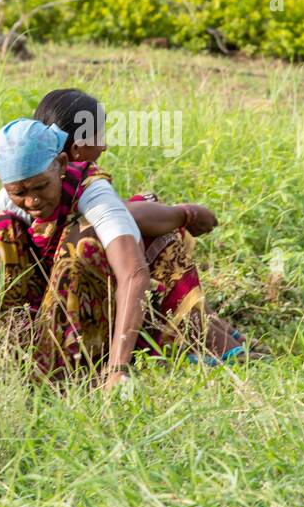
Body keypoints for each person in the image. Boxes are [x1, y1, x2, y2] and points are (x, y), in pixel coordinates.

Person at [33, 88, 257, 364]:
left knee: (143, 211)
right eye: (99, 137)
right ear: (77, 149)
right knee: (155, 233)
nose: (104, 146)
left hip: (57, 302)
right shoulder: (74, 180)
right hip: (72, 309)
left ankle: (213, 328)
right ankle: (213, 341)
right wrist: (186, 214)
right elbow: (129, 218)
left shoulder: (30, 172)